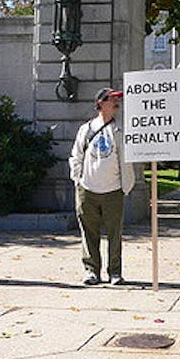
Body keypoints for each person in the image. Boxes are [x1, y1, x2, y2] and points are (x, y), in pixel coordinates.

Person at [69, 88, 135, 286]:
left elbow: (126, 160)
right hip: (87, 189)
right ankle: (91, 271)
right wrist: (77, 179)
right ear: (100, 103)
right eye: (111, 99)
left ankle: (115, 272)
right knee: (89, 233)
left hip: (113, 190)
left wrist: (126, 186)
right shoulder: (86, 129)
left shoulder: (120, 130)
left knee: (115, 234)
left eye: (117, 100)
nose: (116, 103)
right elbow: (76, 156)